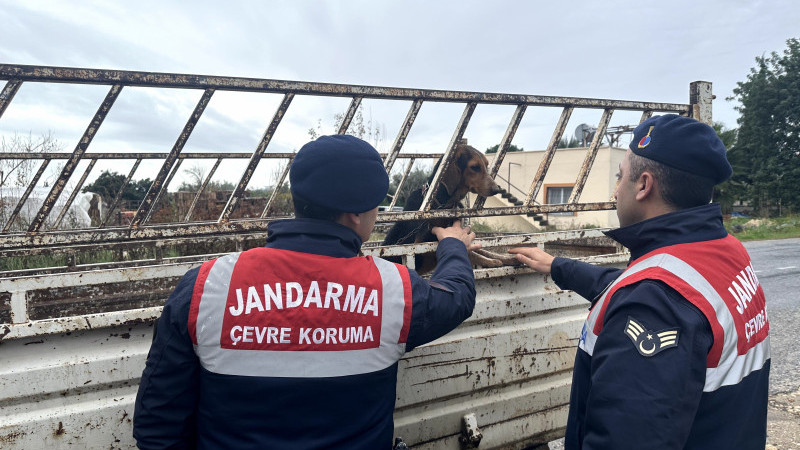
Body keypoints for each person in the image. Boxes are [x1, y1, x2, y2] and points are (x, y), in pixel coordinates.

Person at [133, 135, 480, 449]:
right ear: (357, 214)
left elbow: (158, 425)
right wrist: (451, 246)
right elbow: (455, 297)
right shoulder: (392, 289)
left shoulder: (206, 285)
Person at [510, 114, 770, 450]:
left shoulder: (653, 305)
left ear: (644, 185)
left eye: (620, 178)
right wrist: (558, 266)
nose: (616, 189)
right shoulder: (723, 252)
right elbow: (652, 287)